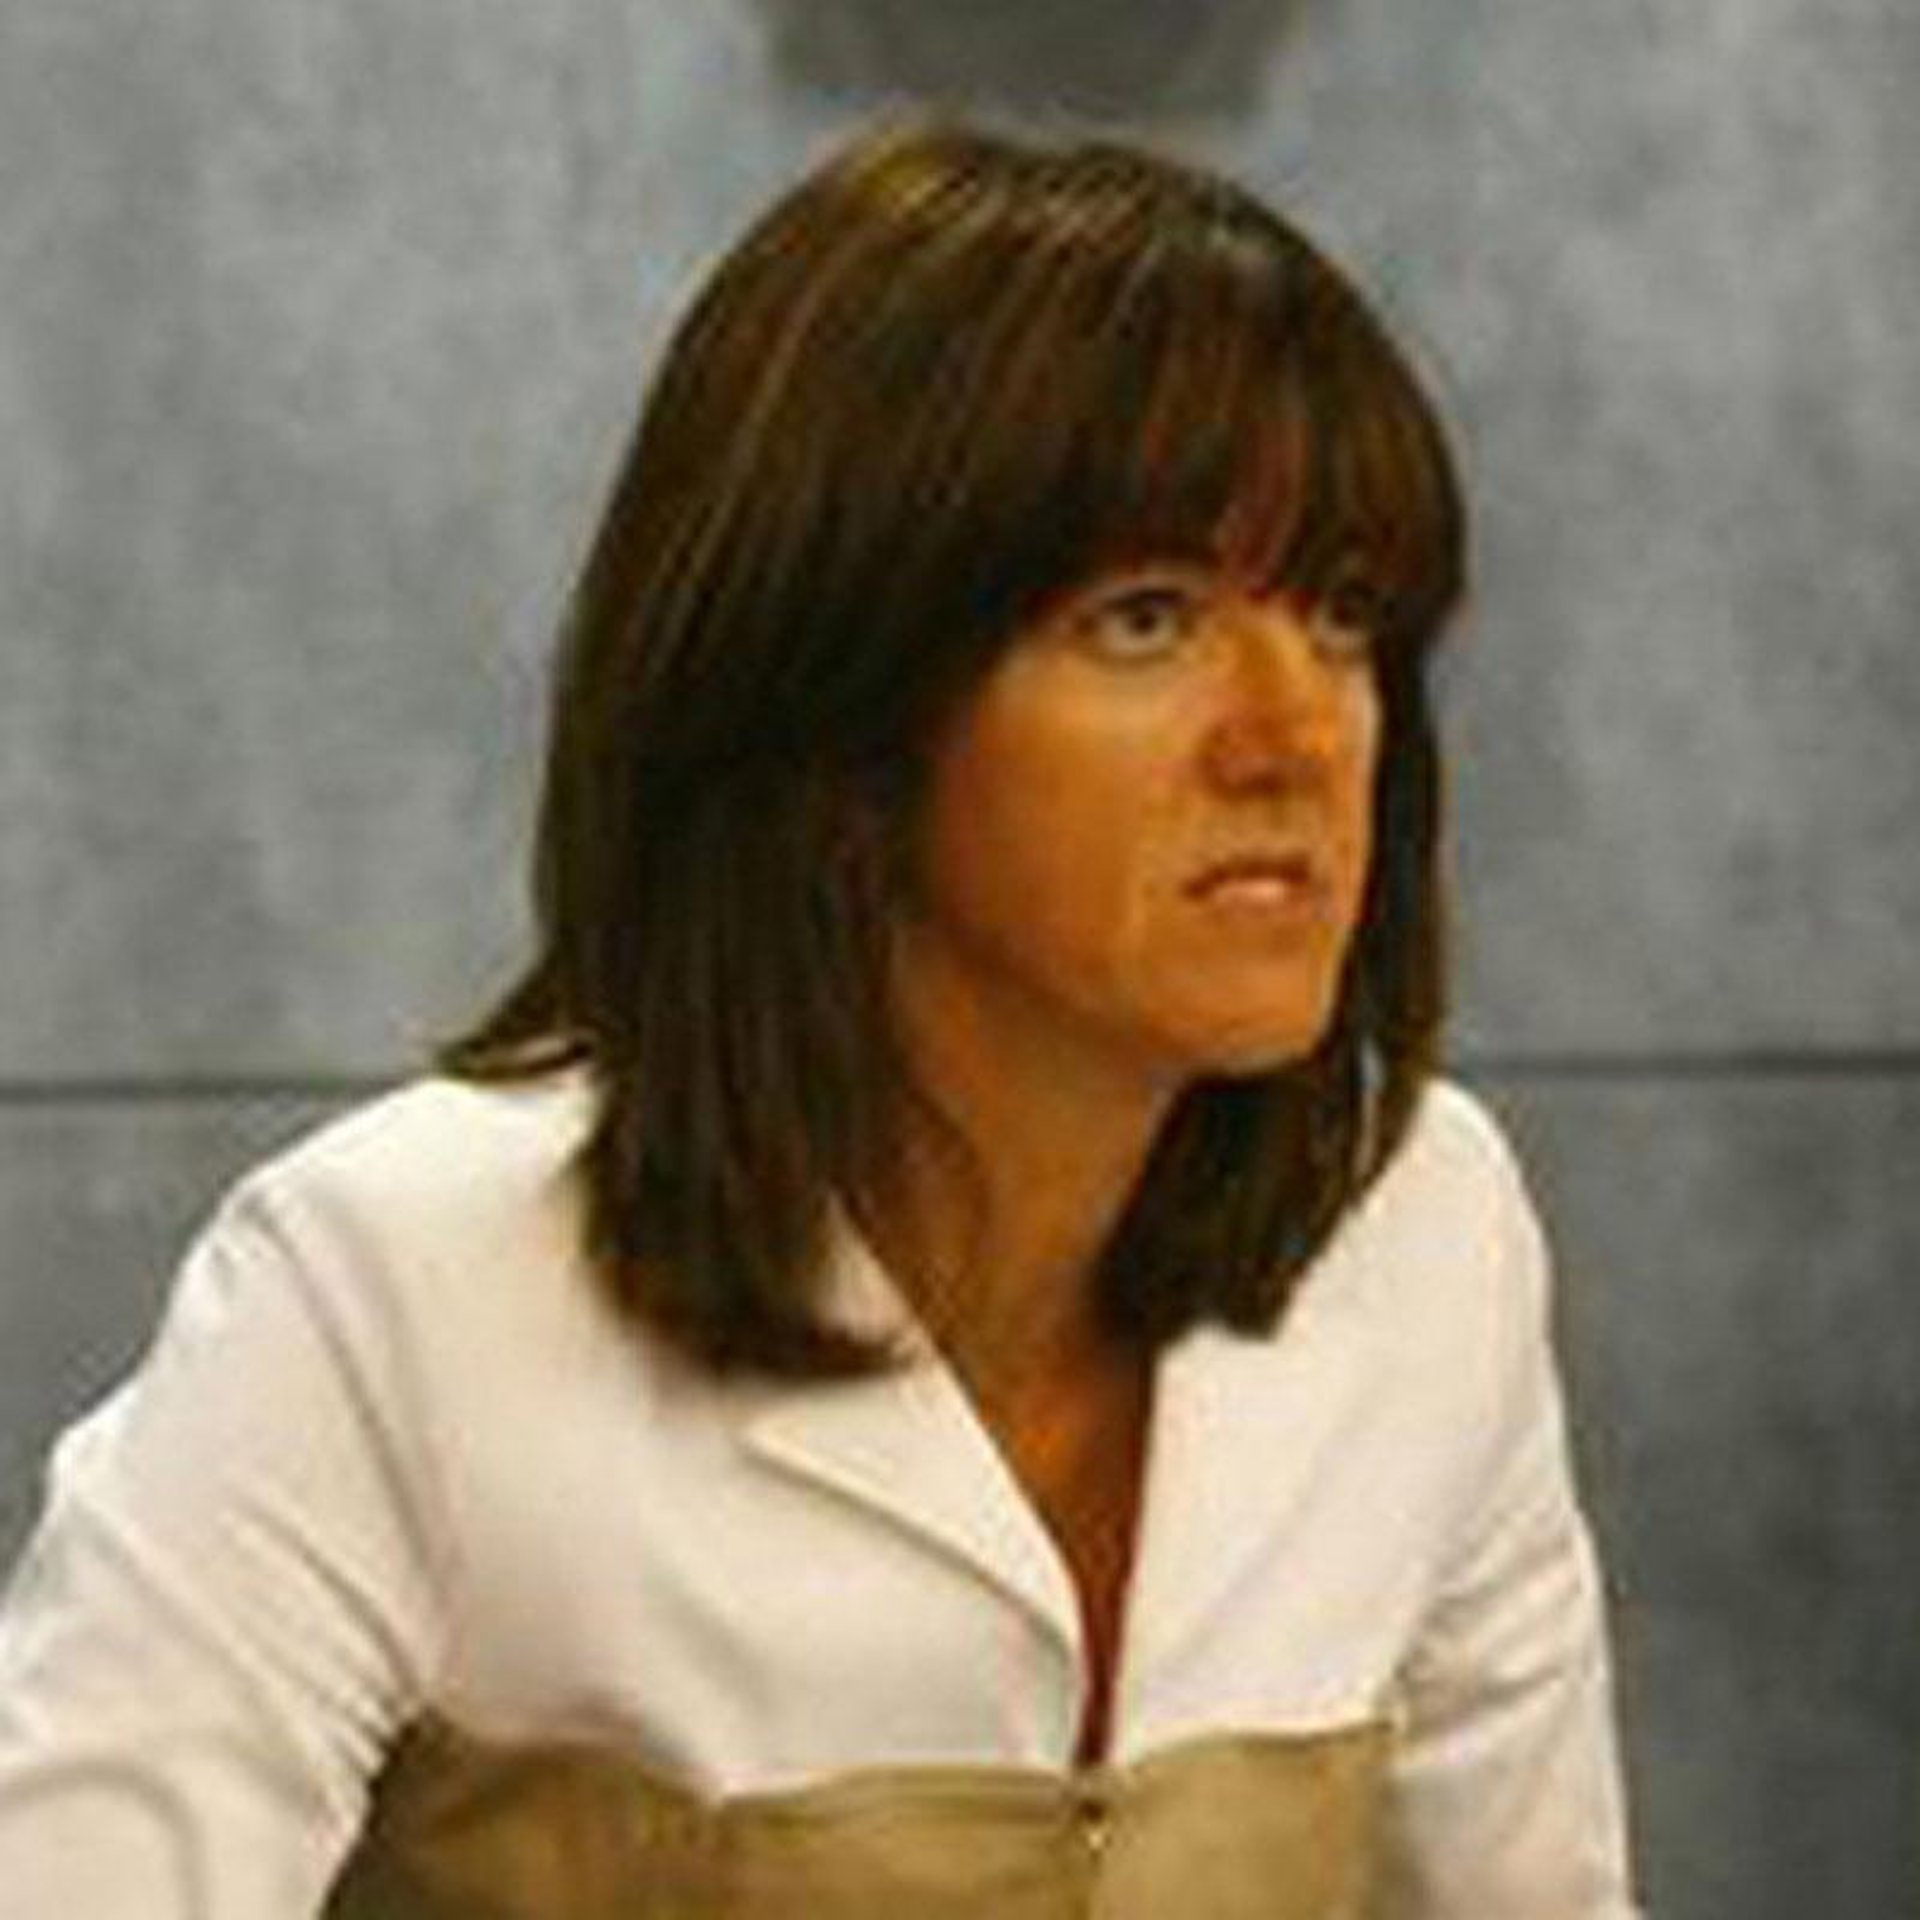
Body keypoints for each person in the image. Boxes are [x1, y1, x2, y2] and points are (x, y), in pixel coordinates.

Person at [0, 119, 1641, 1916]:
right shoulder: (394, 1286)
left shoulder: (1428, 1224)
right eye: (1148, 619)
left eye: (1341, 617)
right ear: (837, 706)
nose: (1299, 735)